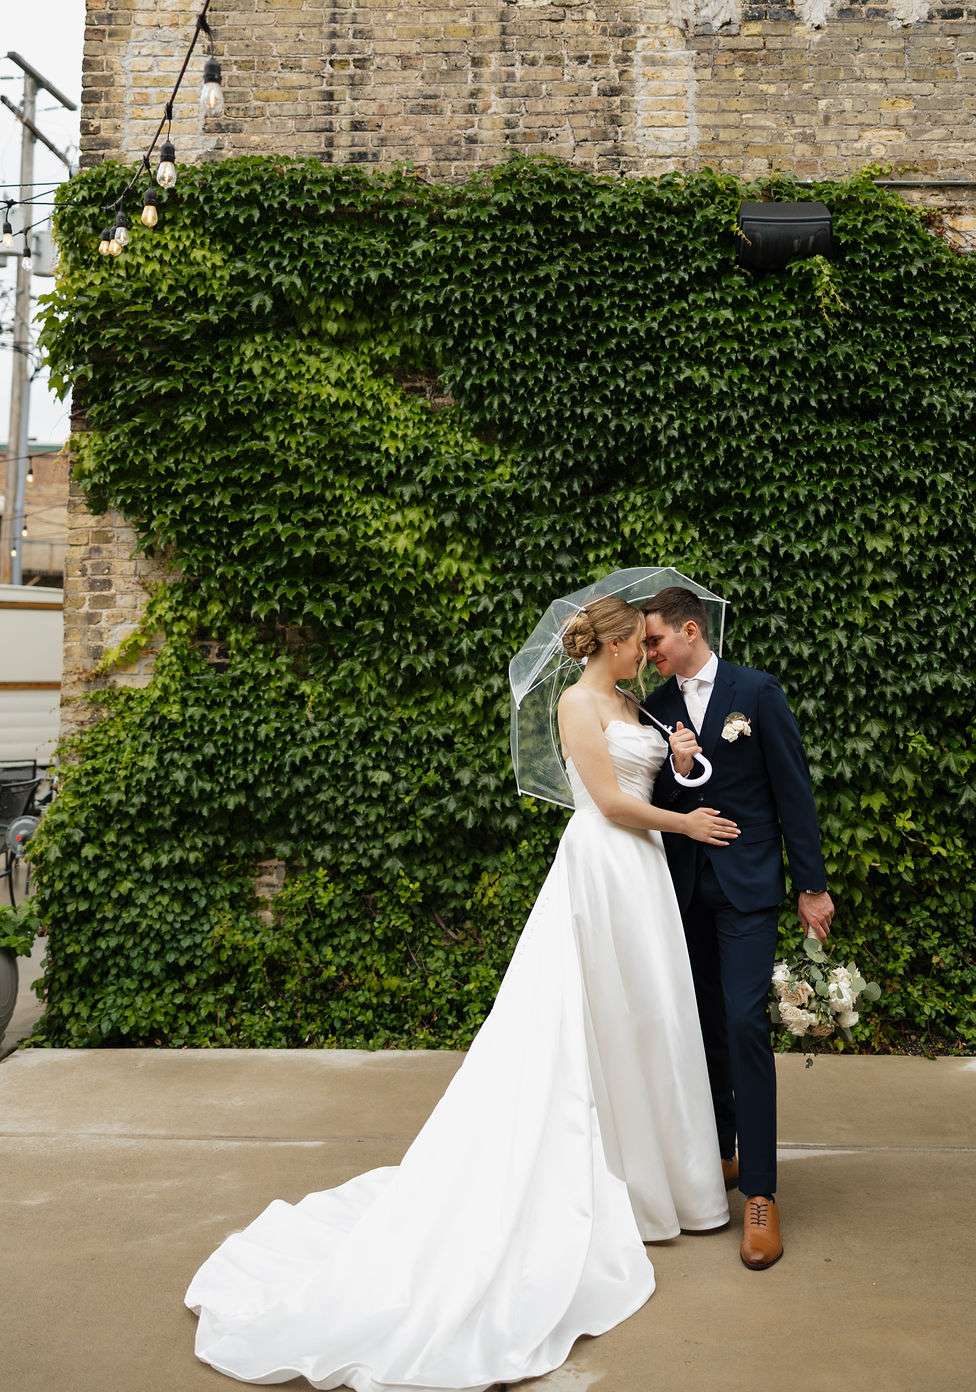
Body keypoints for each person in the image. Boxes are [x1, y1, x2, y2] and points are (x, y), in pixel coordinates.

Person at [184, 595, 738, 1391]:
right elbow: (611, 803)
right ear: (611, 642)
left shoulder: (633, 703)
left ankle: (661, 1174)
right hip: (605, 862)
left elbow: (663, 777)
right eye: (637, 643)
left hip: (643, 872)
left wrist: (682, 759)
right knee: (596, 1020)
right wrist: (685, 826)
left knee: (648, 1018)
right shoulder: (578, 705)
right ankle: (619, 1180)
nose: (646, 653)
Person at [643, 586, 835, 1271]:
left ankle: (760, 1192)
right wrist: (681, 765)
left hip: (749, 887)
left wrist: (812, 885)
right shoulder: (655, 709)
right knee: (706, 1028)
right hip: (685, 889)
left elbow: (793, 788)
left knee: (747, 1023)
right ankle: (723, 1151)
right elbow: (654, 799)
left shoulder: (757, 692)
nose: (648, 652)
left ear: (689, 630)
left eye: (655, 640)